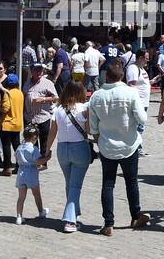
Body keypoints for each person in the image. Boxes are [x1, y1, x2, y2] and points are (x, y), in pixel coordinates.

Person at [89, 59, 148, 235]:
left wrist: (99, 138)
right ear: (122, 75)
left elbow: (93, 127)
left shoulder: (96, 96)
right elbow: (142, 118)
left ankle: (108, 223)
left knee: (108, 184)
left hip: (107, 146)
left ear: (106, 76)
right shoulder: (131, 93)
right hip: (129, 144)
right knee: (132, 183)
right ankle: (136, 216)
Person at [40, 81, 92, 232]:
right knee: (75, 185)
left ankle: (75, 212)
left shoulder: (57, 109)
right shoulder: (84, 108)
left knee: (70, 184)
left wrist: (47, 150)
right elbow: (88, 130)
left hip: (62, 149)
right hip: (79, 148)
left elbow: (52, 132)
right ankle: (70, 220)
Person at [14, 126, 48, 225]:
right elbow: (38, 161)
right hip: (31, 173)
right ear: (35, 137)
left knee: (21, 197)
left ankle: (19, 216)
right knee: (36, 194)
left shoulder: (19, 147)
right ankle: (41, 211)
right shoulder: (33, 148)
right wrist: (47, 159)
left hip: (21, 173)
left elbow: (16, 157)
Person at [25, 63, 57, 148]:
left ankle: (43, 161)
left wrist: (43, 99)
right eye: (36, 70)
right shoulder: (27, 83)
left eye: (40, 70)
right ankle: (34, 161)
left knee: (44, 144)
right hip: (30, 119)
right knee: (31, 146)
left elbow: (55, 98)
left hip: (43, 118)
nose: (39, 72)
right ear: (31, 71)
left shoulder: (48, 83)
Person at [0, 73, 24, 176]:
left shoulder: (7, 93)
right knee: (16, 146)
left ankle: (7, 168)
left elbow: (5, 108)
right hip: (17, 123)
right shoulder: (20, 93)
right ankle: (19, 166)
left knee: (6, 146)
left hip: (7, 123)